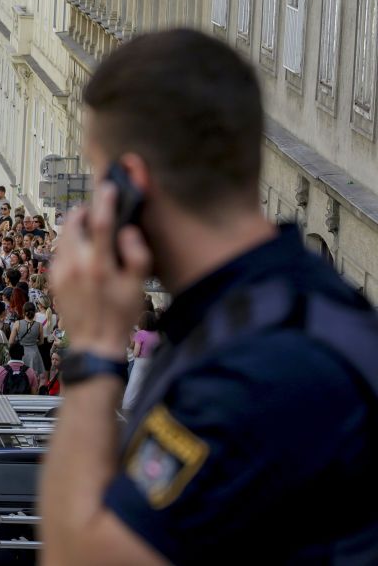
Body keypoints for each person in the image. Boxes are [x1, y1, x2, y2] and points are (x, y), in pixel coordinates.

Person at [41, 30, 378, 564]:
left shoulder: (254, 368)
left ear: (130, 184)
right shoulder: (294, 306)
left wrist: (91, 348)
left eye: (99, 177)